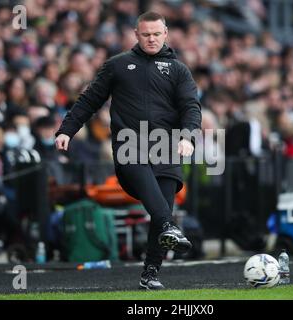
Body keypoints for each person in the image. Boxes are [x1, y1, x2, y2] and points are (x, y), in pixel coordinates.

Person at [55, 11, 202, 290]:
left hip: (167, 149)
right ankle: (169, 227)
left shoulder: (179, 70)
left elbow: (191, 108)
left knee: (162, 211)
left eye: (156, 34)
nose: (151, 39)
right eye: (145, 34)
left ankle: (150, 273)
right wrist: (66, 130)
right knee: (162, 214)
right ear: (136, 34)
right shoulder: (118, 65)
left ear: (166, 33)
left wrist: (187, 137)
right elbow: (89, 100)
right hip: (129, 147)